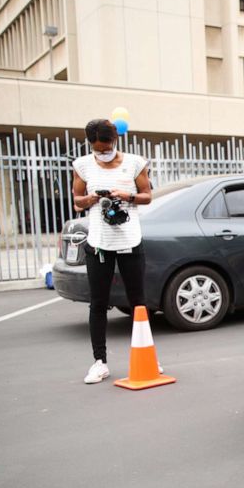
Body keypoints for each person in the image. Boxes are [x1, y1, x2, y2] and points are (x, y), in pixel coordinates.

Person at [71, 119, 152, 384]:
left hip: (130, 240)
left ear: (115, 141)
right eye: (96, 149)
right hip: (99, 244)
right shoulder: (82, 165)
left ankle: (148, 356)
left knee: (138, 302)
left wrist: (126, 196)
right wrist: (92, 199)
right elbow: (77, 203)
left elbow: (147, 196)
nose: (101, 153)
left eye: (105, 147)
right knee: (98, 303)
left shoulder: (134, 163)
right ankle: (99, 362)